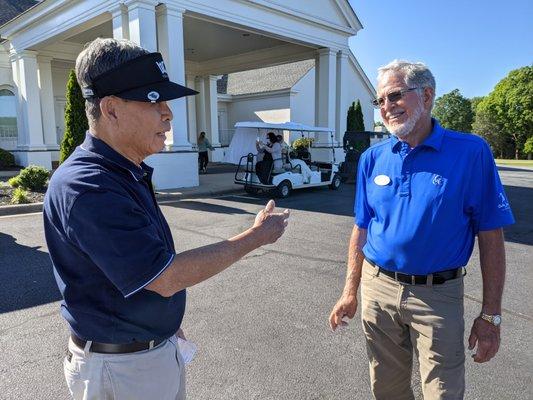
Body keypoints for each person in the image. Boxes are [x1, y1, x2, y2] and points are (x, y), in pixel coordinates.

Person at [43, 38, 290, 400]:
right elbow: (164, 277)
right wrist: (256, 236)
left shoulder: (123, 170)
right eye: (154, 99)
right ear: (110, 109)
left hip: (144, 354)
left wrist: (163, 327)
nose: (169, 113)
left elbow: (137, 273)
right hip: (123, 370)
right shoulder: (89, 186)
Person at [329, 60, 514, 400]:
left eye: (395, 96)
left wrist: (491, 316)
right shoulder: (373, 158)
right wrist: (350, 291)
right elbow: (362, 227)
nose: (386, 108)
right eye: (380, 101)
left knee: (443, 392)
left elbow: (491, 236)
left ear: (427, 96)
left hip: (437, 296)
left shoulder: (471, 152)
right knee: (386, 388)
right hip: (378, 290)